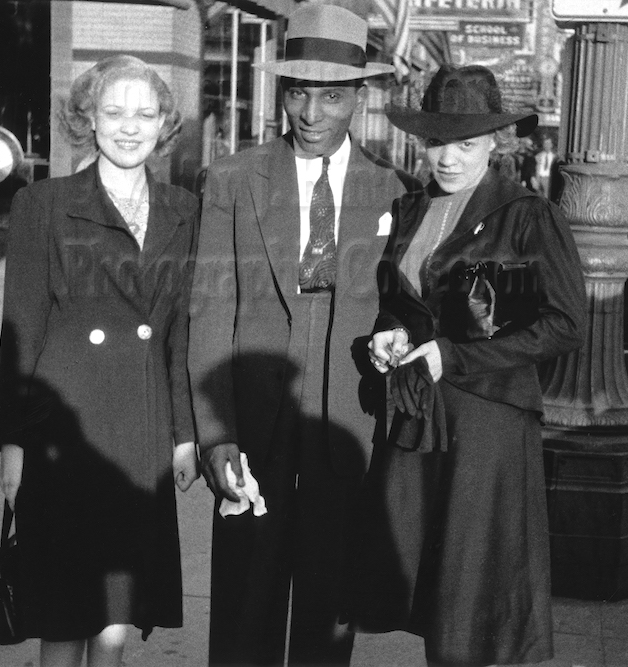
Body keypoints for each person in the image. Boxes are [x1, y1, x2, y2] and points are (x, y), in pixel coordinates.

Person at [187, 5, 421, 666]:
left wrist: (399, 339)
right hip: (253, 425)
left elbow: (405, 312)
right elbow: (210, 311)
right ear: (281, 93)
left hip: (345, 429)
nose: (312, 113)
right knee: (243, 604)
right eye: (298, 92)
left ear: (359, 96)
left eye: (332, 95)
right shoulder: (233, 180)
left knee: (328, 617)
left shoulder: (394, 193)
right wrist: (215, 434)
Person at [351, 64, 587, 666]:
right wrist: (389, 336)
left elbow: (565, 326)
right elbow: (403, 305)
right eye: (437, 144)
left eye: (467, 144)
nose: (449, 159)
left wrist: (454, 355)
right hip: (418, 420)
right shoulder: (411, 210)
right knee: (433, 594)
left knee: (474, 595)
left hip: (487, 428)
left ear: (496, 145)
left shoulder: (526, 215)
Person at [0, 55, 199, 667]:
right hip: (65, 428)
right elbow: (19, 329)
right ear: (87, 118)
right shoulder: (43, 205)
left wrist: (184, 435)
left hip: (141, 422)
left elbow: (180, 334)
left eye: (145, 113)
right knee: (64, 601)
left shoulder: (185, 210)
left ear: (166, 123)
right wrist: (13, 440)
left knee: (117, 604)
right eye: (113, 112)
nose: (129, 127)